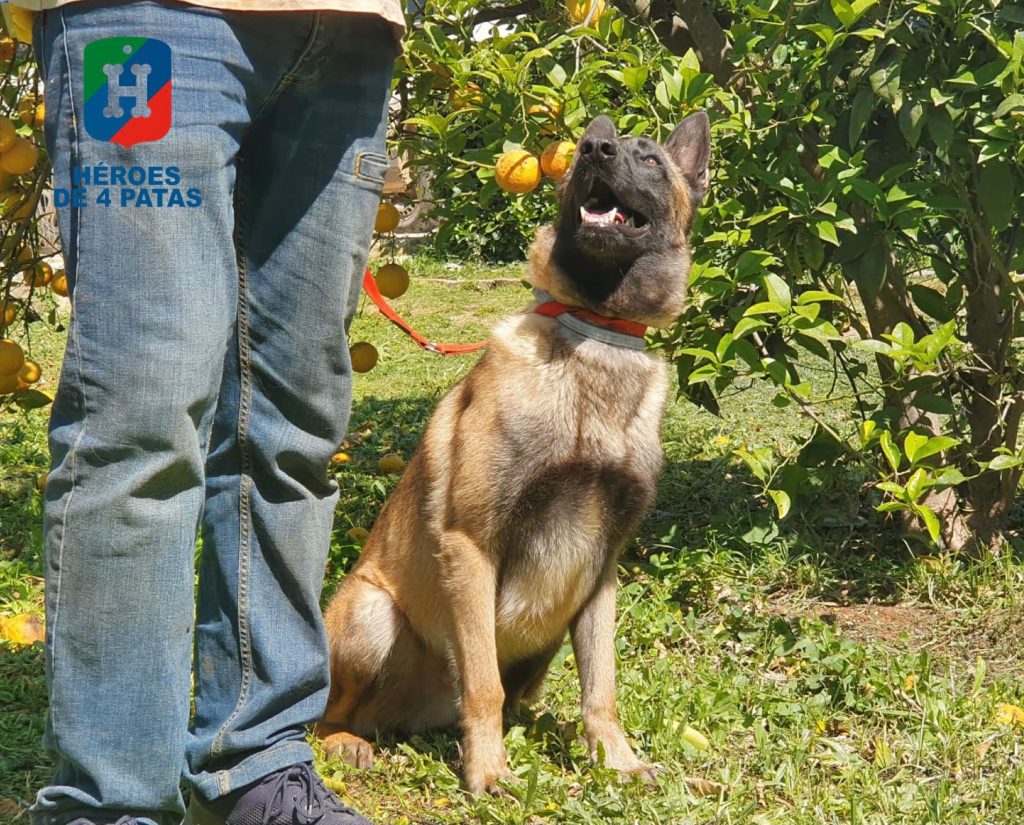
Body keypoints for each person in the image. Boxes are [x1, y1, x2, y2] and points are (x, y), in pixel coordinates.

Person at [21, 1, 403, 823]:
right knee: (140, 416)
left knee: (292, 426)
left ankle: (257, 762)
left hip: (352, 28)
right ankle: (111, 798)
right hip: (147, 19)